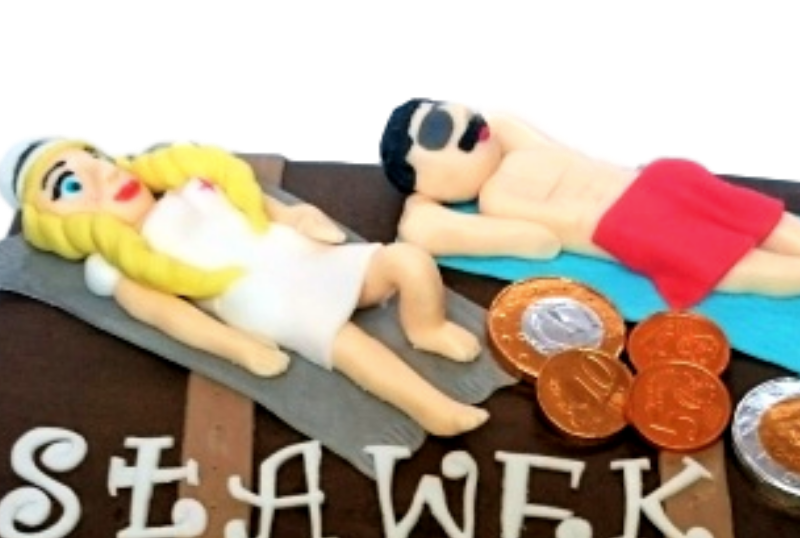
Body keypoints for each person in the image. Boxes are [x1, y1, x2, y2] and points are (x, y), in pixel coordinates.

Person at [1, 139, 488, 436]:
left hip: (309, 257)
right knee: (352, 349)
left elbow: (267, 209)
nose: (106, 173)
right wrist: (240, 348)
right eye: (71, 185)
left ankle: (427, 329)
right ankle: (435, 410)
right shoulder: (122, 267)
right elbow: (176, 320)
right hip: (269, 301)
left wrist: (302, 218)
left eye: (95, 157)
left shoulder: (190, 184)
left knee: (410, 261)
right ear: (54, 225)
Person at [380, 99, 800, 308]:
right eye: (436, 131)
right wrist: (425, 206)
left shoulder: (519, 149)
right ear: (426, 182)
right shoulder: (496, 200)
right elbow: (540, 243)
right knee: (717, 256)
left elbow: (507, 127)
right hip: (630, 222)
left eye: (446, 108)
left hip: (653, 182)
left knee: (755, 215)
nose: (464, 118)